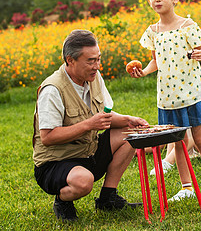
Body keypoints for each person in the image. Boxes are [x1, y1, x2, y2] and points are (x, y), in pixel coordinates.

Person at [33, 30, 149, 222]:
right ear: (70, 60)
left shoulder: (94, 77)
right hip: (55, 163)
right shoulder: (52, 89)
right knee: (83, 182)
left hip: (88, 153)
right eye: (90, 61)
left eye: (98, 59)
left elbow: (105, 116)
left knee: (132, 132)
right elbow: (47, 137)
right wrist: (88, 125)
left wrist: (130, 120)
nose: (97, 66)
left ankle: (107, 198)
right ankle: (62, 201)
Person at [128, 0, 201, 201]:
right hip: (168, 96)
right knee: (178, 142)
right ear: (149, 1)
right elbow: (155, 61)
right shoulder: (152, 31)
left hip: (192, 93)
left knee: (200, 139)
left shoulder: (188, 25)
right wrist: (144, 71)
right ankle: (186, 188)